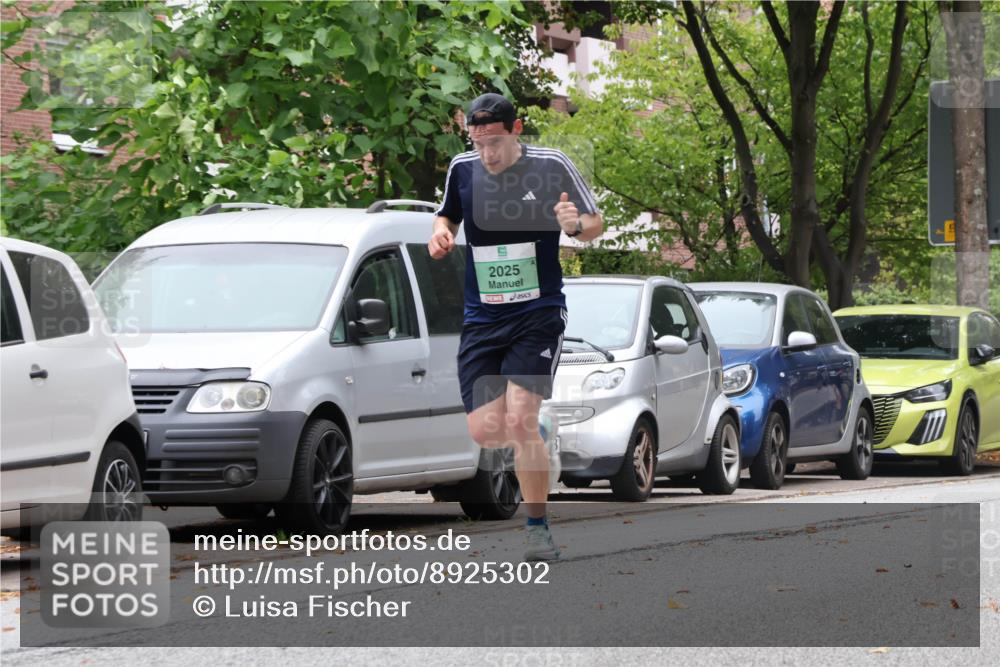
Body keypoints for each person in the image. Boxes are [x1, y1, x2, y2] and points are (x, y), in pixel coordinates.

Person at [428, 92, 603, 561]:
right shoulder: (461, 169)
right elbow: (447, 214)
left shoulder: (551, 165)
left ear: (517, 129)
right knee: (487, 431)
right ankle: (538, 434)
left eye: (496, 142)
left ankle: (537, 527)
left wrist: (575, 226)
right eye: (478, 142)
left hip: (537, 312)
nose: (487, 153)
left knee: (520, 418)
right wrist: (440, 233)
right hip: (482, 315)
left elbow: (592, 222)